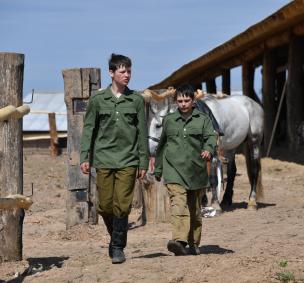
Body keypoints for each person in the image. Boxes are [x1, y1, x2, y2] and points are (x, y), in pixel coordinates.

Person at [80, 53, 149, 264]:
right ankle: (114, 239)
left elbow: (141, 133)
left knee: (122, 205)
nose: (127, 75)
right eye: (122, 71)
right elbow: (89, 129)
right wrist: (85, 156)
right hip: (103, 159)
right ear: (111, 73)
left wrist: (143, 162)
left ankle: (118, 247)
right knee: (104, 207)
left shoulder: (136, 100)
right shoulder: (98, 100)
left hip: (128, 160)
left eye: (129, 71)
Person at [154, 83, 218, 256]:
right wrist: (158, 170)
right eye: (180, 100)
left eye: (186, 100)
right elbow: (161, 147)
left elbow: (211, 136)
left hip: (195, 171)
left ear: (193, 101)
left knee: (194, 210)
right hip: (173, 170)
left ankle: (193, 243)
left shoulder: (203, 119)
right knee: (178, 204)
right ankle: (179, 241)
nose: (183, 104)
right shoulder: (169, 121)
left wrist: (208, 149)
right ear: (176, 102)